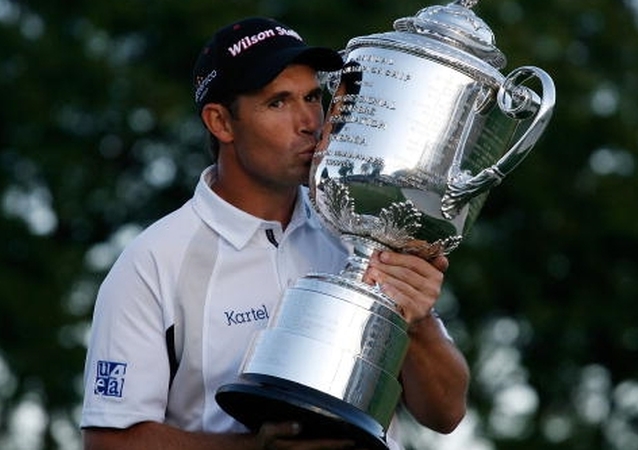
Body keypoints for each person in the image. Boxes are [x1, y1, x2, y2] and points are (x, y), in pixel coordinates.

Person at [80, 16, 469, 450]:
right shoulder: (153, 261)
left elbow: (446, 414)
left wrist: (420, 324)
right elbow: (108, 441)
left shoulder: (363, 228)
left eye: (312, 97)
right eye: (278, 103)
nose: (310, 122)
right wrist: (253, 449)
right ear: (221, 123)